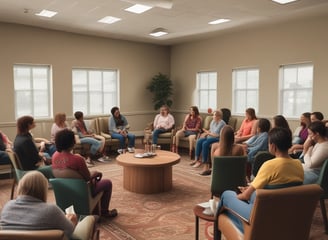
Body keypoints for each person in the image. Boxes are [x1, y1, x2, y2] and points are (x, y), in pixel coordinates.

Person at [217, 127, 304, 233]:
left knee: (227, 195)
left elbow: (245, 196)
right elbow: (279, 187)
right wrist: (250, 191)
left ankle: (228, 225)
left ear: (273, 146)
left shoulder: (270, 165)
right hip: (284, 214)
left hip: (261, 213)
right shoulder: (298, 165)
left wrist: (236, 197)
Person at [0, 171, 96, 239]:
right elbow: (71, 232)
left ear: (21, 187)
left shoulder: (7, 207)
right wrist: (73, 221)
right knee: (90, 219)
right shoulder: (51, 210)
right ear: (42, 190)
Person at [52, 129, 118, 218]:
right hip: (81, 192)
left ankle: (94, 211)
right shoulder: (77, 159)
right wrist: (96, 173)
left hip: (64, 192)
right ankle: (104, 212)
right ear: (72, 143)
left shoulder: (54, 155)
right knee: (107, 183)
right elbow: (87, 177)